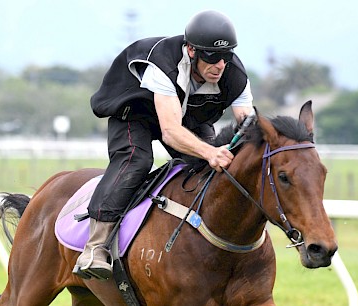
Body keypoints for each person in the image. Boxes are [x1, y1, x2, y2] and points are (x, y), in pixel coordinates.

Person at [73, 10, 254, 280]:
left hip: (187, 116)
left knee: (206, 168)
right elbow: (170, 132)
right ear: (191, 51)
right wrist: (211, 152)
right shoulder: (164, 63)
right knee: (137, 160)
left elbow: (248, 122)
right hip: (136, 112)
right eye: (212, 57)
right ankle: (96, 247)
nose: (220, 65)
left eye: (226, 57)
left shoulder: (234, 74)